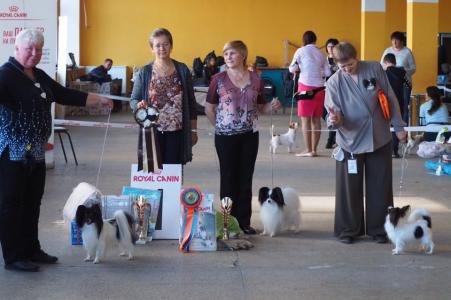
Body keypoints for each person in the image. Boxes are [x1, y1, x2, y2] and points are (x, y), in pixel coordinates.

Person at [0, 29, 113, 272]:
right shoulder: (6, 75)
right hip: (13, 152)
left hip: (36, 151)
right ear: (17, 49)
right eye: (29, 49)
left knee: (33, 202)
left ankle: (31, 249)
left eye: (38, 49)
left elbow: (62, 94)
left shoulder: (38, 75)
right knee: (12, 204)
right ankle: (13, 256)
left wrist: (96, 99)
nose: (34, 53)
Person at [325, 42, 407, 244]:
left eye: (350, 64)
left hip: (379, 136)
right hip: (350, 140)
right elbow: (333, 114)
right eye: (342, 66)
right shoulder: (334, 82)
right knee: (348, 188)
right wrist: (335, 120)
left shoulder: (374, 68)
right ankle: (348, 229)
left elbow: (389, 96)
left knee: (380, 185)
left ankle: (380, 229)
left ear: (357, 58)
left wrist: (399, 127)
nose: (347, 69)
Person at [205, 40, 281, 235]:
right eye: (226, 53)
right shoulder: (218, 79)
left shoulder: (256, 79)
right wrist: (222, 127)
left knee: (245, 178)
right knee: (228, 178)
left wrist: (271, 107)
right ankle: (227, 223)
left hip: (249, 136)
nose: (228, 57)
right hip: (225, 138)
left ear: (243, 56)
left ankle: (244, 222)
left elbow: (261, 106)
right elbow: (209, 108)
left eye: (233, 53)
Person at [130, 28, 198, 165]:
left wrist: (193, 130)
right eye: (157, 45)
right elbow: (133, 100)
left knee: (172, 174)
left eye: (166, 44)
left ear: (171, 46)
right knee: (153, 172)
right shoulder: (145, 72)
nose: (162, 48)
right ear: (152, 49)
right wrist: (138, 105)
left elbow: (191, 102)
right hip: (152, 131)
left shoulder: (182, 70)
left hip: (177, 131)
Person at [289, 31, 331, 157]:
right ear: (315, 40)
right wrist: (318, 72)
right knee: (316, 120)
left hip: (305, 88)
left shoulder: (300, 51)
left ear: (303, 41)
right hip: (319, 89)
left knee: (305, 120)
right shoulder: (321, 54)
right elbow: (328, 73)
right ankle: (314, 150)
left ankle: (308, 150)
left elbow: (292, 69)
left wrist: (301, 68)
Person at [380, 31, 416, 123]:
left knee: (403, 104)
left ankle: (403, 125)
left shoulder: (407, 52)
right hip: (390, 81)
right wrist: (390, 69)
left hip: (404, 82)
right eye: (393, 41)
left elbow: (413, 68)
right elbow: (382, 65)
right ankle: (390, 124)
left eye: (397, 41)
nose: (394, 43)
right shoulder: (387, 51)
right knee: (390, 102)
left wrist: (402, 71)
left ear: (402, 41)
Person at [382, 53, 406, 158]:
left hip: (385, 103)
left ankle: (385, 149)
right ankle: (394, 150)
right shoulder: (403, 73)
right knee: (396, 126)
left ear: (386, 62)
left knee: (385, 126)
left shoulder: (384, 74)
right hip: (399, 102)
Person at [324, 38, 339, 149]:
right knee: (325, 113)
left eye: (333, 46)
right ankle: (332, 138)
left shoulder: (340, 60)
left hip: (337, 89)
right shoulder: (324, 60)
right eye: (329, 46)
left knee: (334, 113)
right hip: (325, 89)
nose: (331, 48)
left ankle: (331, 140)